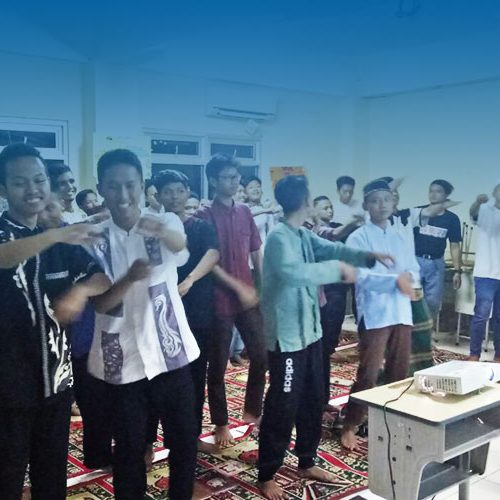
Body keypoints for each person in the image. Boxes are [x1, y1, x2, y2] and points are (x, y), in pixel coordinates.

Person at [257, 175, 384, 500]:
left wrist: (366, 256)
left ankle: (306, 460)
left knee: (314, 398)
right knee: (283, 405)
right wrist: (338, 271)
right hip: (287, 339)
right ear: (304, 201)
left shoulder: (302, 234)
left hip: (311, 333)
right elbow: (293, 273)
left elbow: (331, 248)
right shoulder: (278, 238)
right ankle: (267, 473)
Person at [86, 149, 200, 500]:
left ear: (142, 185)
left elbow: (181, 248)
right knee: (129, 446)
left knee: (183, 440)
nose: (123, 195)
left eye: (130, 185)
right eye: (113, 186)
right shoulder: (94, 237)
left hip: (170, 352)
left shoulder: (165, 222)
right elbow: (100, 302)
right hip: (122, 358)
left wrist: (160, 230)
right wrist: (129, 278)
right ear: (100, 189)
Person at [0, 143, 111, 500]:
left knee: (51, 477)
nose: (32, 189)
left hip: (57, 380)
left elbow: (100, 278)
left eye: (39, 180)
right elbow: (5, 257)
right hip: (8, 385)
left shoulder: (62, 240)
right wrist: (56, 233)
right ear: (3, 189)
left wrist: (80, 291)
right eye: (20, 182)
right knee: (7, 477)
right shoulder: (12, 233)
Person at [341, 179, 419, 451]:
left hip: (401, 309)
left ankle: (391, 421)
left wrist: (410, 281)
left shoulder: (401, 235)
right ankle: (351, 423)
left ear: (393, 203)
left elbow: (413, 268)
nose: (381, 205)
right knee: (369, 372)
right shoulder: (358, 237)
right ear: (366, 205)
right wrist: (394, 281)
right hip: (375, 311)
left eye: (386, 200)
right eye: (375, 201)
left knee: (399, 370)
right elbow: (359, 276)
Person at [196, 154, 267, 447]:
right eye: (227, 177)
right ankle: (221, 423)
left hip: (248, 296)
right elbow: (208, 263)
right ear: (213, 180)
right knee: (218, 365)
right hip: (218, 299)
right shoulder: (203, 215)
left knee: (261, 355)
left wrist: (263, 286)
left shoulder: (245, 212)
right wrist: (237, 287)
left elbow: (256, 251)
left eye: (236, 177)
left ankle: (252, 411)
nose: (234, 182)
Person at [154, 169, 220, 453]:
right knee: (157, 378)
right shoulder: (152, 228)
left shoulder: (200, 227)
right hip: (160, 313)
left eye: (180, 191)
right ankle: (148, 442)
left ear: (188, 193)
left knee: (194, 376)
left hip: (196, 310)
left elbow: (213, 253)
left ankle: (189, 437)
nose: (175, 197)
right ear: (158, 196)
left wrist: (190, 279)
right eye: (168, 192)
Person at [305, 195, 360, 409]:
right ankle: (314, 400)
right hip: (322, 293)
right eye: (324, 208)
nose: (329, 211)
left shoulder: (333, 229)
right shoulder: (312, 232)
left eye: (330, 207)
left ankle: (322, 399)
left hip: (337, 290)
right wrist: (356, 219)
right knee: (318, 349)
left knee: (327, 348)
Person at [413, 179, 462, 324]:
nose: (433, 194)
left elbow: (454, 245)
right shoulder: (417, 213)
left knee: (433, 302)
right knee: (411, 300)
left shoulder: (452, 219)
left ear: (446, 195)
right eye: (431, 191)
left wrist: (457, 270)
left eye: (438, 191)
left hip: (436, 264)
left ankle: (427, 331)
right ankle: (408, 333)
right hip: (415, 261)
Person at [469, 183, 500, 361]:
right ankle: (474, 354)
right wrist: (477, 202)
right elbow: (473, 214)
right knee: (481, 316)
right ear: (495, 192)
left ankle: (499, 356)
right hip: (485, 273)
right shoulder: (485, 209)